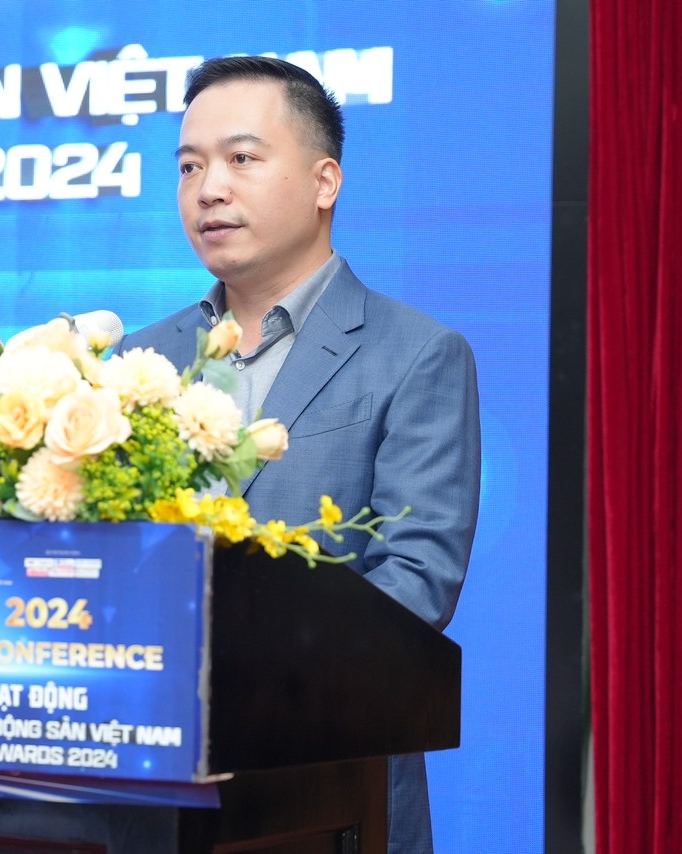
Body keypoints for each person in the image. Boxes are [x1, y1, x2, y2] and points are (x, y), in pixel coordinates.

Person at [120, 56, 481, 853]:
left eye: (242, 158)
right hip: (144, 796)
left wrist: (234, 685)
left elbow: (414, 588)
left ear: (325, 182)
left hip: (326, 799)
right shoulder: (135, 364)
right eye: (190, 167)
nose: (209, 189)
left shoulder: (415, 354)